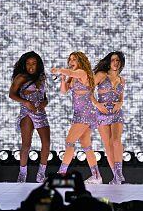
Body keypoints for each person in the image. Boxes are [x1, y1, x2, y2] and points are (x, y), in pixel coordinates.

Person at [50, 52, 103, 184]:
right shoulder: (72, 75)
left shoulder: (82, 72)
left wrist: (58, 70)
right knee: (86, 145)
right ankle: (96, 176)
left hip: (85, 114)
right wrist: (63, 78)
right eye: (70, 59)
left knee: (69, 142)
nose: (71, 61)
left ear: (81, 61)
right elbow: (64, 91)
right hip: (80, 114)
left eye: (74, 59)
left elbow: (72, 73)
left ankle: (61, 175)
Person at [9, 51, 51, 183]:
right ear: (24, 65)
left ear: (38, 64)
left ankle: (41, 175)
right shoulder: (21, 77)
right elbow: (11, 94)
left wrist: (44, 103)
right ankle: (22, 175)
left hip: (40, 113)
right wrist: (26, 102)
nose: (31, 66)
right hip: (27, 113)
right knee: (26, 145)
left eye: (33, 63)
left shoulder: (41, 77)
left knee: (47, 143)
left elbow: (44, 97)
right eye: (28, 64)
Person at [93, 51, 126, 184]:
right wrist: (97, 105)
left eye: (118, 60)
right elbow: (88, 91)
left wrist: (120, 103)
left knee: (116, 141)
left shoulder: (122, 80)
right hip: (102, 113)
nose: (115, 63)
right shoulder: (101, 75)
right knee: (108, 145)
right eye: (113, 60)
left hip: (117, 113)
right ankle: (115, 176)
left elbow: (121, 97)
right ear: (109, 61)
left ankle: (119, 173)